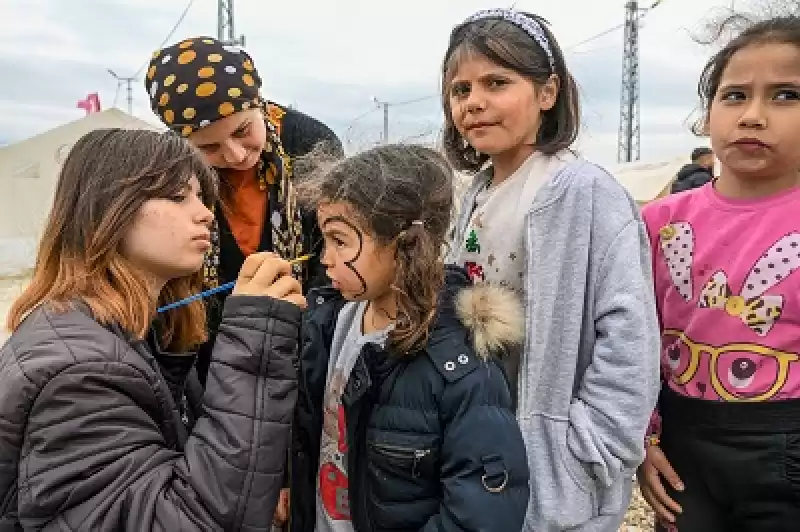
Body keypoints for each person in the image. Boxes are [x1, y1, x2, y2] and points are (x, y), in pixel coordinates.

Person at [0, 129, 304, 531]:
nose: (206, 214)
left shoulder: (133, 333)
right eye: (179, 196)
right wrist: (257, 346)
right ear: (108, 209)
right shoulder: (79, 373)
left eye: (202, 198)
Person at [441, 8, 661, 531]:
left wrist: (589, 448)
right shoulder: (476, 195)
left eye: (497, 82)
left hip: (553, 464)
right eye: (460, 89)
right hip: (482, 446)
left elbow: (629, 335)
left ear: (548, 92)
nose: (474, 102)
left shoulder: (581, 191)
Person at [287, 144, 530, 532]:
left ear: (405, 243)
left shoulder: (462, 366)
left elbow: (481, 514)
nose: (324, 259)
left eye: (340, 240)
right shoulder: (331, 319)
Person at [638, 16, 800, 532]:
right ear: (707, 113)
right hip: (683, 445)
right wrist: (642, 440)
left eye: (785, 95)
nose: (753, 115)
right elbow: (628, 342)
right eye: (734, 96)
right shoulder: (658, 222)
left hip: (787, 450)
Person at [144, 36, 342, 386]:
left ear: (258, 103)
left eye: (243, 131)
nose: (235, 155)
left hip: (309, 332)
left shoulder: (311, 145)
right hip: (215, 345)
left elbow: (333, 251)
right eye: (209, 148)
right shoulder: (170, 170)